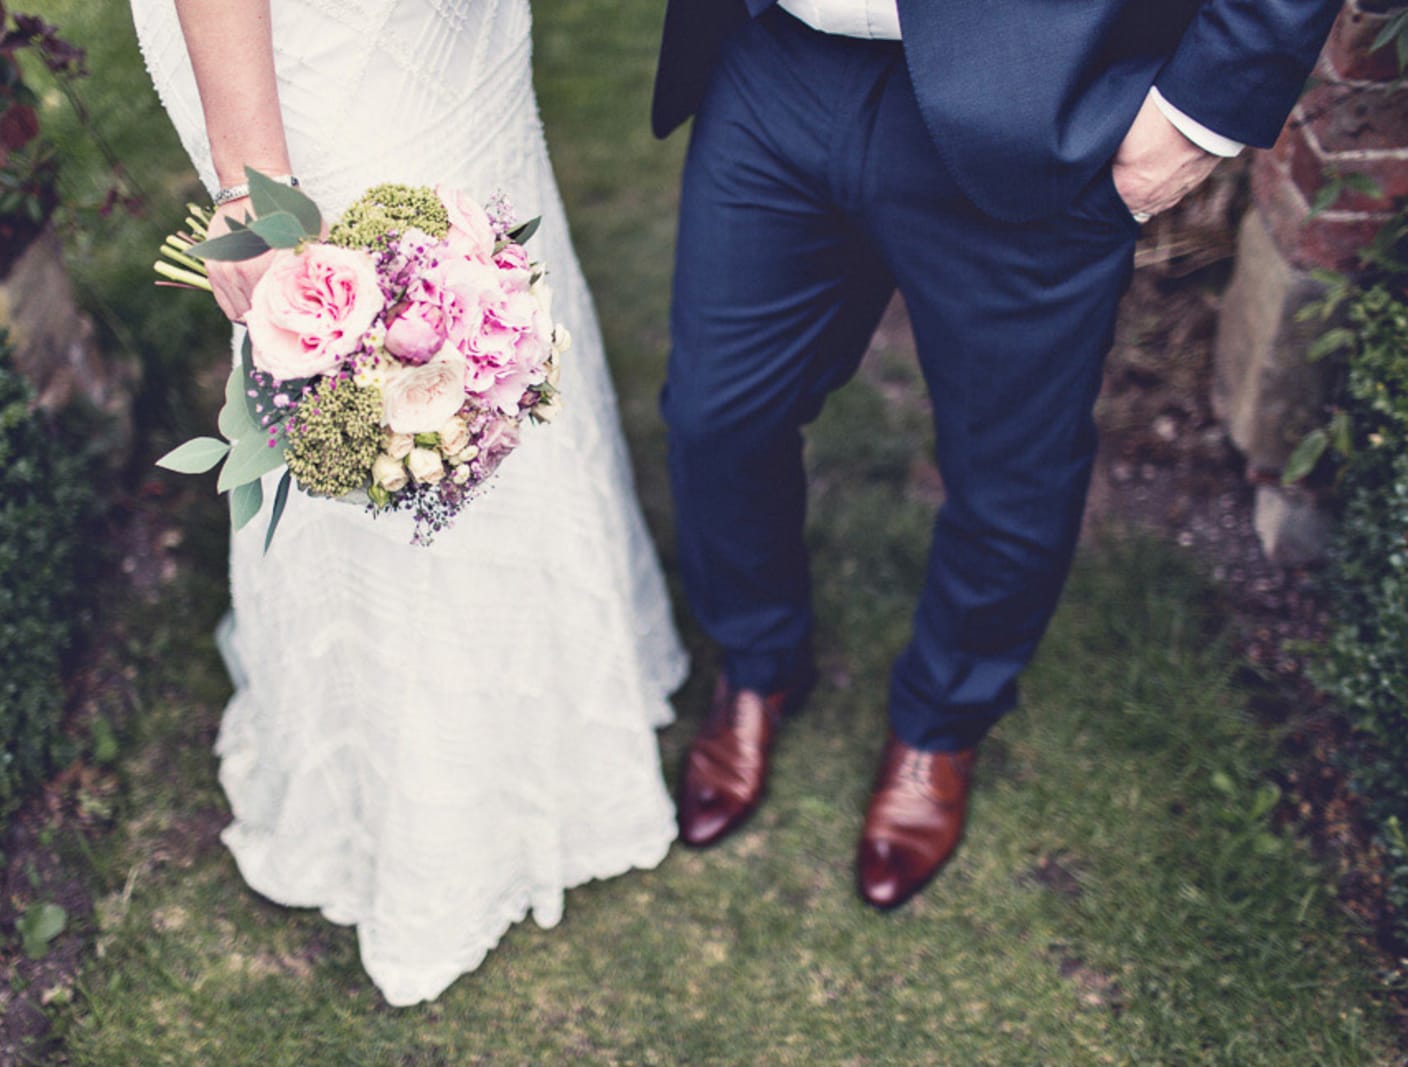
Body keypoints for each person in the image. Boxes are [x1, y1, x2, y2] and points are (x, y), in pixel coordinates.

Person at [654, 0, 1340, 907]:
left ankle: (943, 718)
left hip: (1030, 94)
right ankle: (756, 661)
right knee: (716, 416)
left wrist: (1197, 112)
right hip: (772, 63)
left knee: (1010, 466)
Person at [130, 0, 687, 1006]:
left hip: (454, 34)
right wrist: (252, 181)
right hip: (316, 44)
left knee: (497, 287)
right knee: (370, 342)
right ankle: (427, 810)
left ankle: (554, 719)